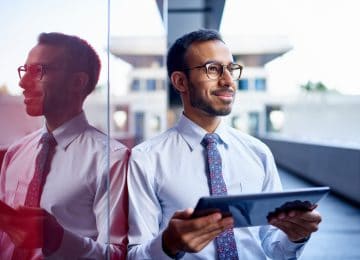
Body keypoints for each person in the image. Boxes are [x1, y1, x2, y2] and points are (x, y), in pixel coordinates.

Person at [127, 29, 322, 259]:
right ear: (180, 81)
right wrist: (168, 244)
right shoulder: (146, 159)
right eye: (212, 69)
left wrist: (295, 236)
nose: (228, 81)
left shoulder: (258, 153)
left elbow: (274, 248)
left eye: (231, 68)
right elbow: (135, 255)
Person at [0, 32, 128, 259]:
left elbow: (118, 254)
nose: (22, 83)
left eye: (38, 71)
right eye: (24, 70)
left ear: (77, 82)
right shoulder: (15, 154)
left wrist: (58, 239)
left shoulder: (113, 160)